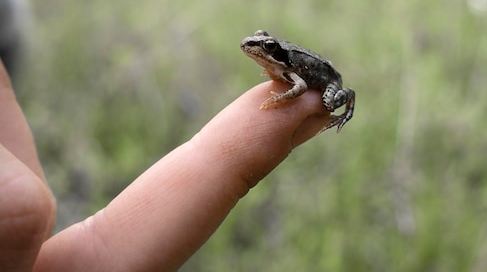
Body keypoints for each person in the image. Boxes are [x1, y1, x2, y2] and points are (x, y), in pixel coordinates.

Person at [0, 62, 331, 271]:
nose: (256, 48)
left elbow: (301, 88)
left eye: (268, 48)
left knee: (326, 100)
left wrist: (276, 100)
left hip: (323, 79)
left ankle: (341, 111)